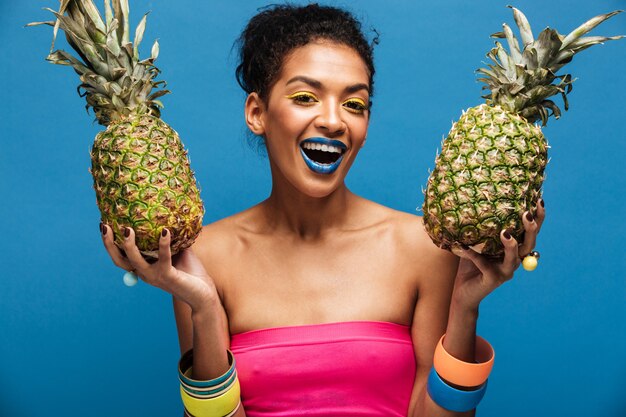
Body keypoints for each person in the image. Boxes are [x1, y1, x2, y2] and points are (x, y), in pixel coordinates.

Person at [100, 4, 545, 417]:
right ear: (257, 112)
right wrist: (202, 306)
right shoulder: (203, 259)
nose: (334, 120)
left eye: (355, 104)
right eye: (305, 97)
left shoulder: (423, 248)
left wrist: (465, 306)